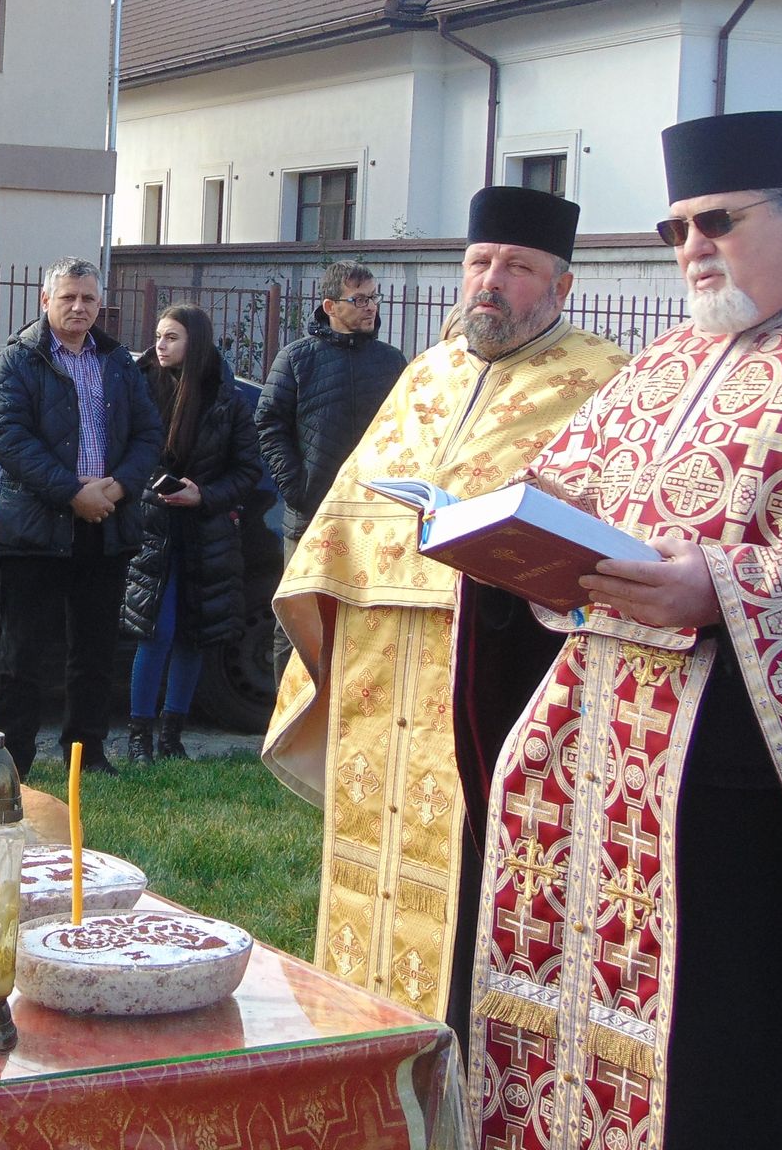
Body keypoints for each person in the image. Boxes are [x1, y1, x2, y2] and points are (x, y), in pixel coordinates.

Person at [450, 111, 782, 1149]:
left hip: (754, 779)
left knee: (726, 1074)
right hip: (587, 756)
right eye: (674, 229)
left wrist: (723, 588)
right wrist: (506, 537)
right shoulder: (666, 361)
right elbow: (570, 487)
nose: (691, 248)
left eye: (716, 222)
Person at [264, 187, 627, 1020]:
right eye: (479, 262)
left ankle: (461, 1049)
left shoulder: (605, 380)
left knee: (477, 882)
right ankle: (361, 1039)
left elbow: (602, 531)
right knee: (370, 865)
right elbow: (348, 512)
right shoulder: (424, 373)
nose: (490, 281)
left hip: (502, 662)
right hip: (381, 660)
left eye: (516, 267)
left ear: (562, 285)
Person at [0, 257, 162, 776]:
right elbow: (9, 439)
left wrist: (119, 486)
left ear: (100, 304)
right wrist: (72, 493)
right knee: (22, 654)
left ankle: (87, 754)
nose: (79, 307)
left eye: (88, 298)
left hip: (106, 524)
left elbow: (149, 434)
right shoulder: (17, 361)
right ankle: (11, 760)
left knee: (95, 650)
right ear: (46, 300)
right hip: (35, 529)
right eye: (68, 297)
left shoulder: (118, 361)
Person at [118, 305, 261, 764]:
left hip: (206, 534)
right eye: (159, 336)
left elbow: (247, 470)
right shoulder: (139, 385)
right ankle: (139, 738)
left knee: (193, 634)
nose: (160, 345)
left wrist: (204, 495)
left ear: (194, 343)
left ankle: (171, 736)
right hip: (152, 530)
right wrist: (153, 488)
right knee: (156, 632)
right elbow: (122, 452)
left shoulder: (227, 398)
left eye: (172, 337)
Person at [254, 260, 406, 678]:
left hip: (375, 516)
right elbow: (269, 423)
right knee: (297, 621)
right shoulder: (298, 358)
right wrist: (297, 487)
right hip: (310, 515)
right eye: (359, 299)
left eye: (374, 297)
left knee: (366, 623)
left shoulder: (392, 361)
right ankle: (289, 715)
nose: (370, 307)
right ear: (330, 306)